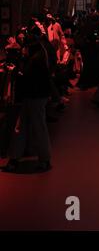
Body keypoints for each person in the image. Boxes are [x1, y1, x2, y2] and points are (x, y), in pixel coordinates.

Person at [4, 35, 52, 172]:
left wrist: (17, 72)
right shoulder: (40, 56)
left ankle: (19, 158)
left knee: (26, 126)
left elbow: (28, 79)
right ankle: (42, 158)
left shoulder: (35, 60)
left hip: (33, 97)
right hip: (37, 96)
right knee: (35, 126)